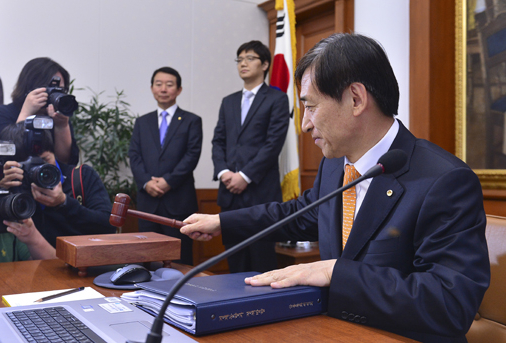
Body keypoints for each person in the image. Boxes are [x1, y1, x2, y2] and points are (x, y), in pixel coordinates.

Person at [181, 33, 490, 342]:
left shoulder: (444, 180)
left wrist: (336, 274)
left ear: (355, 99)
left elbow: (450, 304)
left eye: (311, 107)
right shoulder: (335, 164)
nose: (304, 125)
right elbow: (303, 214)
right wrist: (223, 222)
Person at [211, 40, 290, 273]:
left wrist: (244, 176)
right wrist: (224, 172)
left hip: (261, 194)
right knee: (234, 262)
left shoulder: (277, 99)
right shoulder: (229, 101)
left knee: (261, 262)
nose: (243, 64)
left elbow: (273, 144)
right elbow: (218, 141)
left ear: (265, 64)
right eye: (239, 59)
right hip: (230, 196)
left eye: (249, 58)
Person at [0, 122, 116, 247]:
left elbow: (108, 226)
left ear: (53, 152)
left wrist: (64, 203)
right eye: (27, 166)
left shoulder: (81, 177)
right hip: (29, 264)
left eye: (44, 161)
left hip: (81, 263)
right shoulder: (11, 185)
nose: (37, 170)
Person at [128, 67, 202, 265]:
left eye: (169, 85)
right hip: (147, 204)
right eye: (158, 84)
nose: (163, 89)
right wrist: (146, 182)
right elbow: (134, 156)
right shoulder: (142, 122)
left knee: (180, 260)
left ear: (178, 90)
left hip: (178, 202)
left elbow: (191, 156)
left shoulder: (191, 121)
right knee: (146, 259)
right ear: (152, 88)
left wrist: (168, 181)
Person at [0, 57, 79, 165]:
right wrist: (26, 112)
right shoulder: (1, 114)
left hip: (52, 179)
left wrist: (62, 127)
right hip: (14, 179)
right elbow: (3, 157)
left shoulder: (57, 117)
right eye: (49, 88)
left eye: (60, 89)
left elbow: (66, 162)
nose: (54, 93)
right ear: (29, 86)